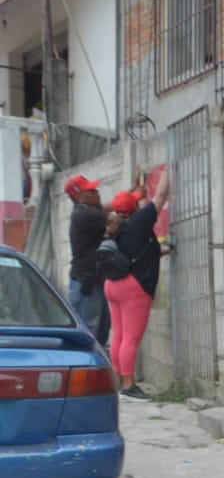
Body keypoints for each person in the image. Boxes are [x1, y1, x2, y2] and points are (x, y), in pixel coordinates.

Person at [103, 168, 171, 400]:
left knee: (119, 335)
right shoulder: (139, 222)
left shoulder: (114, 226)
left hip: (113, 285)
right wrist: (168, 169)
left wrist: (160, 252)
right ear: (133, 207)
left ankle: (118, 380)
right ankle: (129, 384)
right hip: (133, 288)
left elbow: (137, 253)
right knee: (131, 338)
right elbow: (160, 197)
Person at [63, 174, 109, 345]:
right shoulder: (84, 214)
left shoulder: (88, 212)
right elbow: (114, 217)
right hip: (86, 284)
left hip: (92, 281)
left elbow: (109, 207)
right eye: (91, 190)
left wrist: (132, 194)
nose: (97, 192)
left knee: (100, 330)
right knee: (87, 333)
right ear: (79, 196)